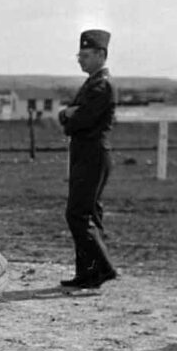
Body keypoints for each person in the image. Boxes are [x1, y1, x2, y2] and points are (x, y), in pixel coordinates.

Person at [58, 29, 118, 289]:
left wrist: (69, 116)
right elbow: (69, 117)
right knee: (87, 212)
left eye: (85, 55)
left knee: (78, 214)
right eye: (79, 55)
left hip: (92, 153)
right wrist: (67, 115)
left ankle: (103, 268)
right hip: (86, 153)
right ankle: (88, 272)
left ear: (101, 55)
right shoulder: (93, 83)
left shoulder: (101, 85)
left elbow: (79, 121)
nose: (80, 60)